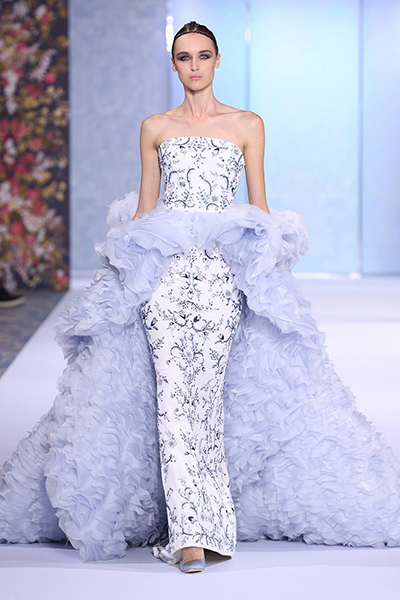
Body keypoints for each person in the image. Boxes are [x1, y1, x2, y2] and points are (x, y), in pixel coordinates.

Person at [1, 21, 400, 575]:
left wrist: (266, 272)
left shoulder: (247, 125)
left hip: (219, 279)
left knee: (206, 397)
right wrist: (123, 275)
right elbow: (146, 211)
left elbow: (259, 208)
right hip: (164, 278)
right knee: (172, 395)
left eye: (203, 56)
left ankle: (210, 524)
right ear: (174, 64)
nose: (194, 66)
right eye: (184, 57)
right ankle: (192, 534)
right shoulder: (155, 128)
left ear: (216, 62)